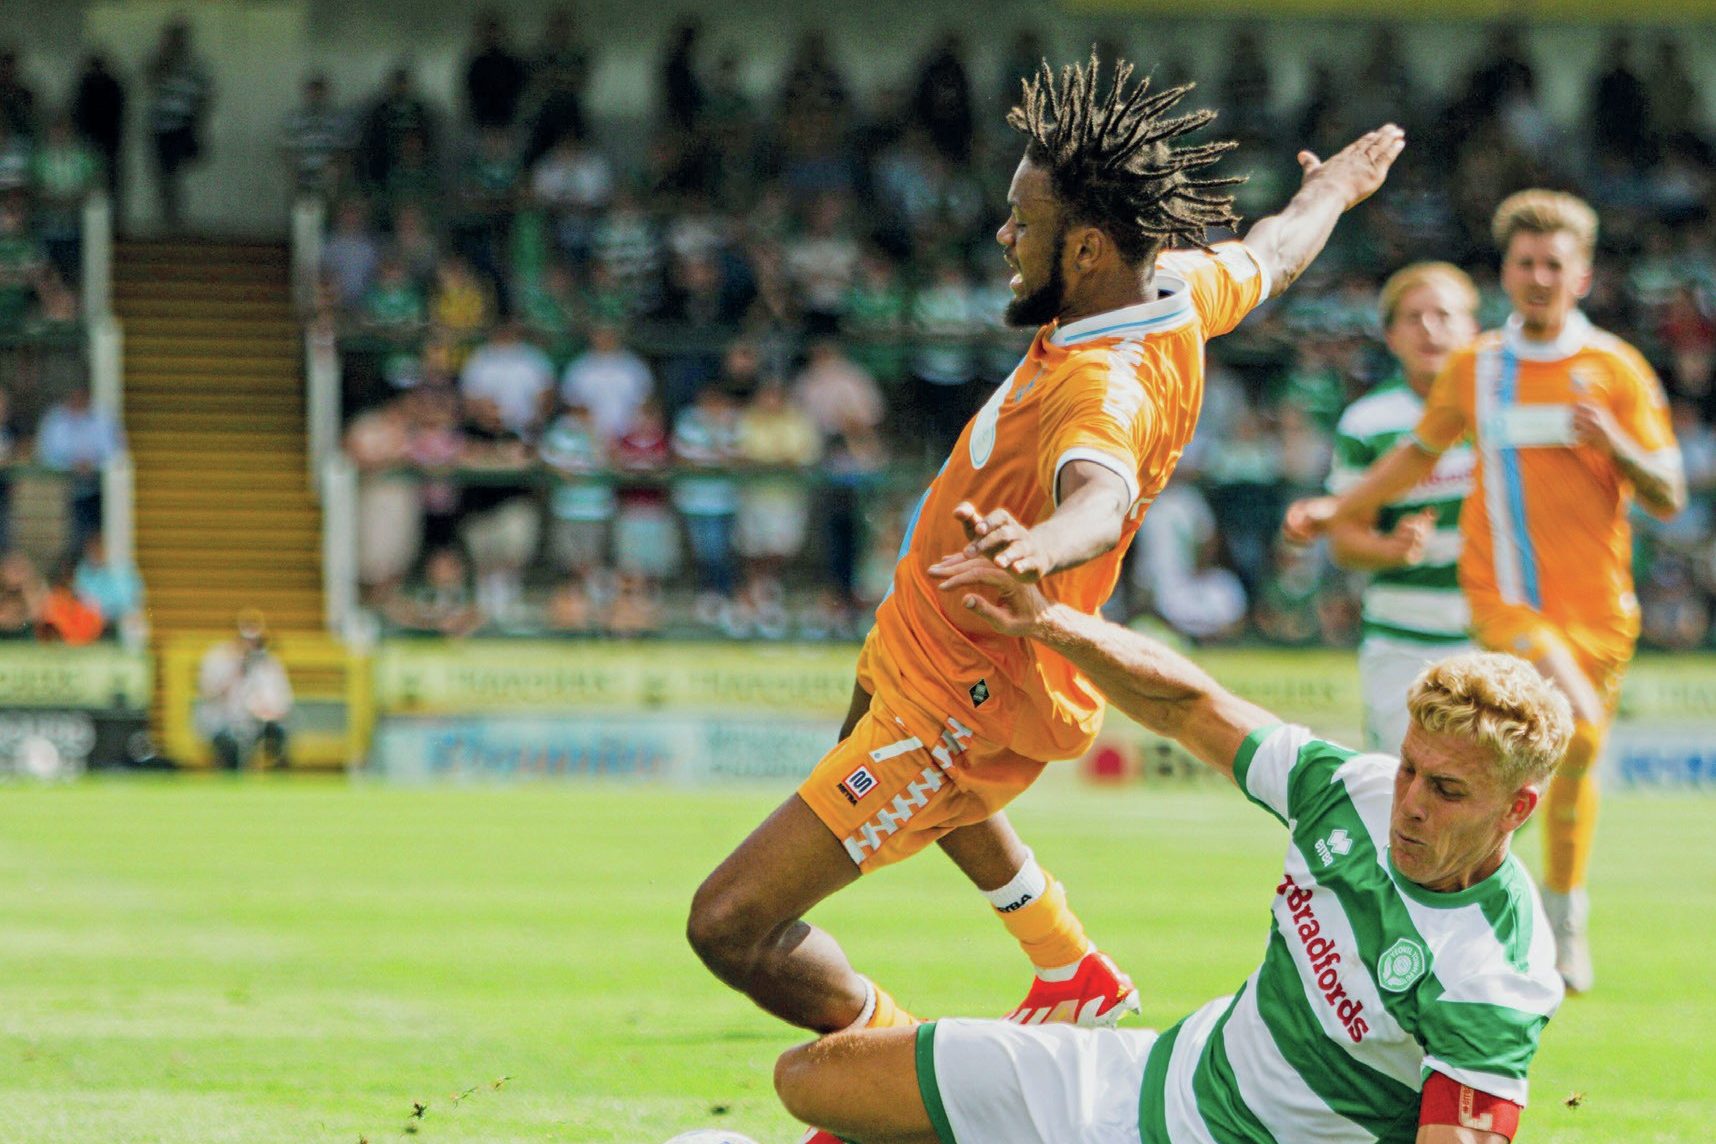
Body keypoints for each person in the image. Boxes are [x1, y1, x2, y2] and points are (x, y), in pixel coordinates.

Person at [688, 49, 1406, 1046]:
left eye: (1023, 220)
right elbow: (1275, 252)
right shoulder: (1179, 289)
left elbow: (1101, 497)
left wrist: (1036, 548)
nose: (1003, 234)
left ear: (1087, 251)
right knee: (912, 793)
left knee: (730, 924)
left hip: (963, 687)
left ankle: (893, 1072)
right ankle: (1071, 968)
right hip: (928, 633)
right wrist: (1332, 185)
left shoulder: (1101, 382)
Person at [776, 557, 1572, 1144]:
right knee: (813, 1080)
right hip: (1144, 1075)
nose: (1410, 806)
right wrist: (1047, 622)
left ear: (1518, 808)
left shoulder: (1496, 973)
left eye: (1449, 792)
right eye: (1410, 771)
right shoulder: (1349, 791)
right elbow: (1191, 707)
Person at [1284, 190, 1686, 994]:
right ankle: (1556, 920)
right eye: (1523, 263)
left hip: (1602, 614)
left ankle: (1542, 905)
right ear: (1505, 272)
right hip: (1505, 602)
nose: (1537, 277)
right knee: (1581, 731)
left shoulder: (1614, 369)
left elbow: (1669, 491)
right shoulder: (1479, 368)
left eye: (1553, 264)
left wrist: (1615, 446)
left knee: (1569, 757)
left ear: (1582, 276)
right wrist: (1340, 508)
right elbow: (1410, 458)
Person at [1326, 263, 1481, 752]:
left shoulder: (1502, 411)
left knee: (1498, 796)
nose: (1429, 329)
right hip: (1402, 639)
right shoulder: (1368, 422)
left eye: (1443, 314)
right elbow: (1344, 543)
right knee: (1405, 795)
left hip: (1496, 634)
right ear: (1391, 337)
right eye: (1413, 318)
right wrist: (1391, 549)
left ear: (1472, 327)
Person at [197, 611, 293, 771]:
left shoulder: (267, 662)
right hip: (224, 723)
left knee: (280, 735)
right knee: (229, 746)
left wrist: (269, 711)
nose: (250, 645)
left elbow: (282, 699)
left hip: (258, 723)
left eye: (255, 640)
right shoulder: (218, 657)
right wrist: (236, 670)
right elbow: (209, 693)